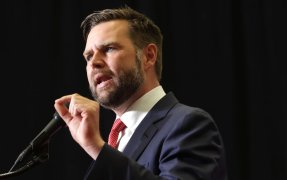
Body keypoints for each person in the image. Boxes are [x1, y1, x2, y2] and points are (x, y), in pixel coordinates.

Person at [54, 6, 228, 180]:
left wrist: (96, 147)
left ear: (149, 56)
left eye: (109, 49)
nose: (94, 63)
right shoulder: (115, 141)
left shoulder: (189, 124)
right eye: (89, 56)